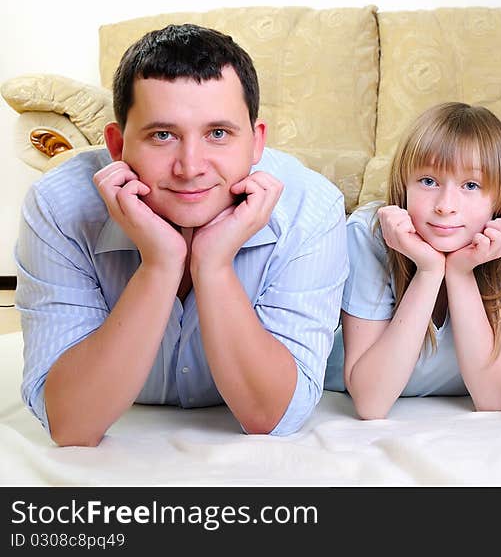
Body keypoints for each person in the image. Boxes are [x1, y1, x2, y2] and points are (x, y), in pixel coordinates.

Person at [15, 24, 349, 446]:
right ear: (117, 146)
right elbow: (72, 425)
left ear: (256, 142)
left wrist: (213, 267)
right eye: (162, 135)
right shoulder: (59, 207)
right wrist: (160, 266)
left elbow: (272, 417)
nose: (191, 167)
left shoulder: (310, 210)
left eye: (218, 134)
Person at [323, 102, 501, 419]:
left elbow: (492, 398)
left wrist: (461, 274)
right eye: (428, 181)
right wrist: (428, 271)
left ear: (500, 197)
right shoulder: (370, 233)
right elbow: (371, 403)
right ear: (404, 185)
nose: (445, 206)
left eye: (471, 185)